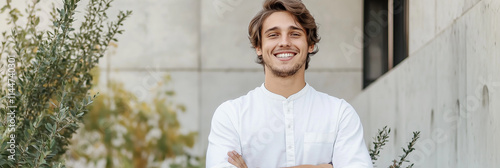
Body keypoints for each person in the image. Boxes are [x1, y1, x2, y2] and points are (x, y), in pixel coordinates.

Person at [206, 0, 372, 167]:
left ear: (310, 45)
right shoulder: (231, 116)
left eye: (295, 34)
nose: (284, 42)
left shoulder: (340, 114)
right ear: (258, 47)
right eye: (273, 35)